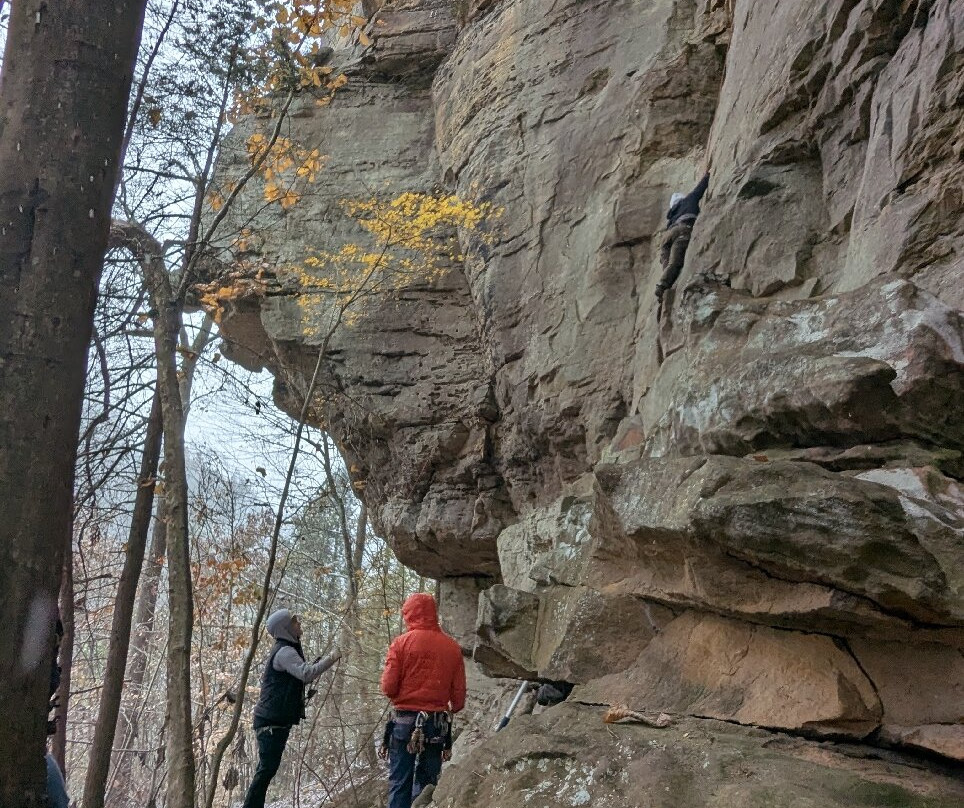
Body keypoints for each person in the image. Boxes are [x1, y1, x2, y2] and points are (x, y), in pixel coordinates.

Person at [242, 609, 340, 808]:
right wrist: (332, 657)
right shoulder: (285, 652)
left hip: (273, 721)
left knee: (266, 769)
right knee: (266, 770)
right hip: (270, 722)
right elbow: (306, 674)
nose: (299, 624)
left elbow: (298, 675)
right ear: (286, 628)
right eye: (295, 622)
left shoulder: (286, 649)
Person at [380, 593, 466, 808]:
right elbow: (458, 698)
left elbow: (388, 687)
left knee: (400, 782)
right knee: (428, 783)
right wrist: (452, 705)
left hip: (404, 722)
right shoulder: (452, 647)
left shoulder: (400, 644)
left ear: (409, 615)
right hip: (436, 725)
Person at [656, 171, 710, 301]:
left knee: (667, 264)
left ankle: (667, 286)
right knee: (675, 262)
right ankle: (662, 285)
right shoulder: (689, 200)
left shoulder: (671, 215)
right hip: (682, 229)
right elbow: (700, 188)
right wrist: (707, 175)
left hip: (667, 236)